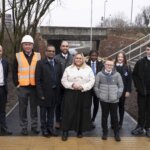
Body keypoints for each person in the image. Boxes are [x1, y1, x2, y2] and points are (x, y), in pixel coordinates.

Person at [61, 52, 95, 141]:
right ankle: (65, 131)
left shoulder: (88, 69)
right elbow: (63, 80)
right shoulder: (68, 69)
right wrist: (72, 85)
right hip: (71, 93)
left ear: (83, 59)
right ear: (74, 59)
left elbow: (92, 81)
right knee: (68, 112)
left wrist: (83, 87)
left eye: (80, 58)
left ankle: (80, 130)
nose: (78, 60)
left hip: (84, 93)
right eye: (77, 58)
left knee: (82, 111)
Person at [13, 35, 41, 135]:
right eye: (25, 44)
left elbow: (40, 71)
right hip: (23, 87)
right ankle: (24, 127)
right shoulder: (18, 56)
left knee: (34, 108)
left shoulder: (38, 56)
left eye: (29, 44)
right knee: (22, 109)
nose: (28, 46)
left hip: (34, 87)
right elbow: (14, 71)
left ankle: (34, 126)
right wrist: (17, 84)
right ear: (22, 45)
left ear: (32, 45)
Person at [94, 58, 123, 142]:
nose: (109, 66)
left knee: (114, 117)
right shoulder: (99, 74)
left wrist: (118, 96)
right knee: (104, 116)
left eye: (111, 65)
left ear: (113, 66)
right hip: (103, 100)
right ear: (104, 65)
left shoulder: (117, 75)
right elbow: (96, 86)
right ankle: (105, 132)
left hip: (114, 100)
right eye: (107, 64)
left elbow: (121, 86)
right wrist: (99, 95)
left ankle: (116, 133)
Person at [35, 45, 62, 137]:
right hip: (44, 93)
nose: (51, 52)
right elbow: (37, 80)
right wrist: (40, 94)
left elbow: (60, 79)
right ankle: (44, 129)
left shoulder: (58, 63)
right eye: (49, 51)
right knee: (43, 113)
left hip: (55, 93)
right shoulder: (40, 63)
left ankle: (50, 128)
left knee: (51, 113)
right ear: (46, 52)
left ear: (55, 53)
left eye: (53, 51)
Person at [131, 44, 150, 138]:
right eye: (148, 49)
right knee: (141, 110)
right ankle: (140, 127)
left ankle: (148, 128)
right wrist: (139, 88)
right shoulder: (140, 62)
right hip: (142, 92)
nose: (149, 51)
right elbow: (134, 75)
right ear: (146, 51)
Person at [54, 41, 73, 129]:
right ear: (60, 47)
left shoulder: (72, 58)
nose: (65, 47)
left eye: (66, 46)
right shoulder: (56, 58)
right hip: (58, 85)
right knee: (58, 103)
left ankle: (67, 120)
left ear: (68, 47)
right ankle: (58, 120)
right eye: (63, 46)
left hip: (69, 85)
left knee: (68, 104)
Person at [114, 51, 132, 129]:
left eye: (122, 57)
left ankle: (120, 122)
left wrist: (128, 90)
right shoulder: (113, 66)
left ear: (124, 58)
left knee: (121, 107)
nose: (120, 58)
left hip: (123, 91)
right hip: (113, 90)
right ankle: (113, 122)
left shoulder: (127, 67)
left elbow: (129, 80)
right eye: (119, 57)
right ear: (116, 58)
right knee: (113, 108)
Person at [87, 50, 103, 128]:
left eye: (95, 55)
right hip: (88, 88)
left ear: (97, 56)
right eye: (92, 55)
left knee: (96, 104)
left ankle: (93, 119)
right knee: (88, 104)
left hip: (97, 88)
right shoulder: (86, 64)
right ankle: (87, 119)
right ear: (89, 56)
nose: (93, 57)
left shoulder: (101, 64)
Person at [0, 45, 12, 136]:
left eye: (0, 50)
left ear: (2, 52)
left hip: (2, 89)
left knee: (2, 110)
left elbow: (6, 75)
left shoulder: (5, 62)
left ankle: (3, 129)